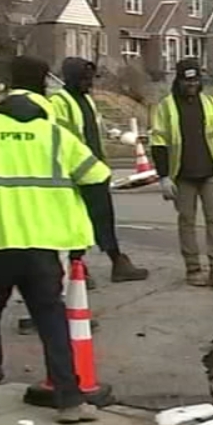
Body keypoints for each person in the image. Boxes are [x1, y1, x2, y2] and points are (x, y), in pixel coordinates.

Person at [0, 55, 113, 424]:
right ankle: (69, 400)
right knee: (52, 320)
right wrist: (93, 234)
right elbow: (97, 177)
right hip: (42, 247)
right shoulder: (57, 136)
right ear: (42, 88)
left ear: (7, 88)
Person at [48, 57, 149, 283]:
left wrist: (112, 145)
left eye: (90, 78)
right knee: (76, 222)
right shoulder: (58, 103)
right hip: (75, 174)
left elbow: (96, 131)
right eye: (84, 79)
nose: (89, 83)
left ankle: (117, 262)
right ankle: (77, 267)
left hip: (94, 170)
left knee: (104, 218)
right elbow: (62, 141)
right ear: (72, 79)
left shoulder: (87, 100)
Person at [150, 58, 213, 290]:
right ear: (178, 81)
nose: (192, 85)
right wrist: (164, 176)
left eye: (196, 80)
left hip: (210, 172)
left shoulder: (209, 103)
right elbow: (158, 143)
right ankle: (193, 268)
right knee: (187, 221)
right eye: (187, 81)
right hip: (182, 175)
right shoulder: (166, 107)